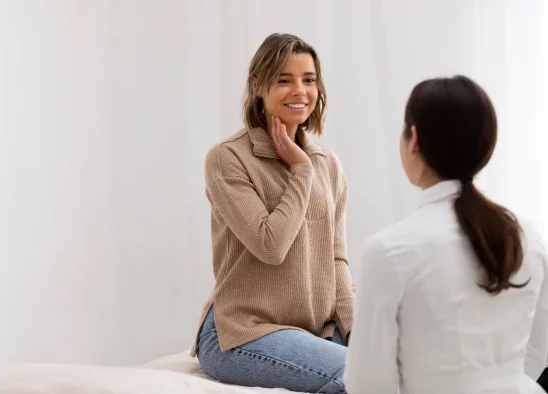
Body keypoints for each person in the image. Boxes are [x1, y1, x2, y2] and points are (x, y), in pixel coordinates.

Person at [344, 75, 548, 394]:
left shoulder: (388, 250)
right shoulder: (528, 236)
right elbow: (539, 351)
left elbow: (367, 384)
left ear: (413, 139)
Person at [189, 33, 354, 394]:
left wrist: (357, 331)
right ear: (257, 86)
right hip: (242, 333)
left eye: (308, 80)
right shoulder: (228, 159)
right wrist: (301, 170)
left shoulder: (329, 164)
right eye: (284, 79)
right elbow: (270, 245)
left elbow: (336, 258)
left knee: (400, 367)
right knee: (360, 379)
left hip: (314, 330)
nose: (300, 91)